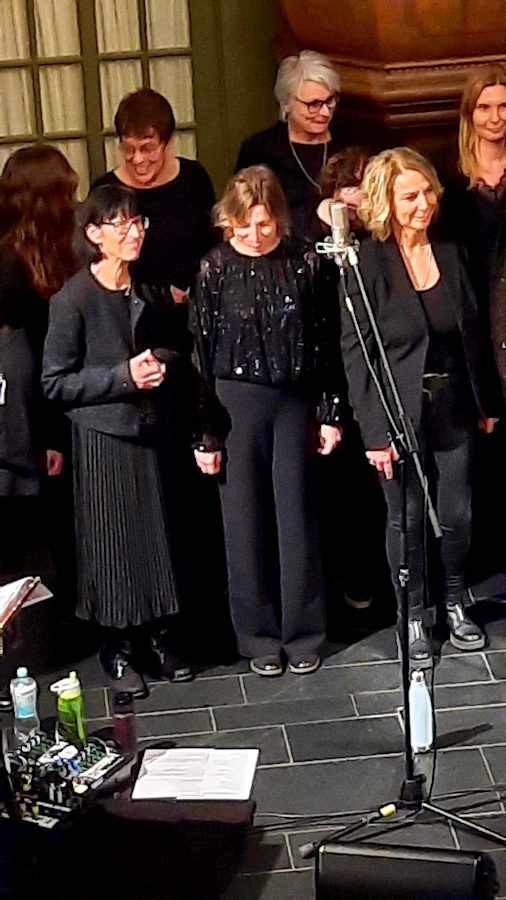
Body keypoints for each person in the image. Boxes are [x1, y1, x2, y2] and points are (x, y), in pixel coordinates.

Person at [42, 184, 211, 698]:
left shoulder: (149, 289)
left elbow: (178, 344)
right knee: (112, 547)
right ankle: (116, 650)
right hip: (103, 435)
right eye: (121, 224)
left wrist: (160, 362)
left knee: (158, 540)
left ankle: (157, 639)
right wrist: (123, 376)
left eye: (138, 223)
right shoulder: (72, 299)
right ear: (95, 234)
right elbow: (56, 382)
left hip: (153, 428)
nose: (134, 232)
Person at [340, 147, 497, 665]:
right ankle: (411, 615)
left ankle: (454, 602)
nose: (423, 203)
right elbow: (357, 353)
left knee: (457, 512)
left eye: (428, 191)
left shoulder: (450, 248)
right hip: (397, 410)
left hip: (453, 402)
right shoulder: (366, 262)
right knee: (405, 517)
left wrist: (486, 398)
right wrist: (374, 433)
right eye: (410, 196)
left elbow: (474, 329)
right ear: (385, 200)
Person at [190, 165, 342, 677]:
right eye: (242, 225)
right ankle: (256, 635)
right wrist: (204, 433)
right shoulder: (214, 267)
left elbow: (327, 343)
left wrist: (330, 412)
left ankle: (303, 633)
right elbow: (199, 352)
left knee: (297, 519)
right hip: (234, 405)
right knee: (243, 524)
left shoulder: (305, 263)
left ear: (278, 218)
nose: (253, 235)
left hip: (293, 400)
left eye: (263, 224)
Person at [0, 145, 79, 580]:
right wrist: (47, 437)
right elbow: (26, 361)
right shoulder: (10, 264)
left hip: (59, 403)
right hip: (34, 415)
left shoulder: (60, 248)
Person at [441, 64, 506, 579]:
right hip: (475, 328)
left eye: (504, 107)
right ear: (469, 114)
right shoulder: (449, 184)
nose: (495, 117)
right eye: (484, 107)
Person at [93, 87, 216, 301]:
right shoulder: (106, 190)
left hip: (192, 308)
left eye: (147, 148)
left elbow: (212, 247)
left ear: (168, 143)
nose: (138, 159)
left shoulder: (194, 178)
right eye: (129, 149)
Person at [236, 50, 341, 242]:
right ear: (287, 103)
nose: (325, 112)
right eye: (314, 104)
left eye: (329, 101)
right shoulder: (259, 151)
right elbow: (247, 212)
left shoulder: (349, 143)